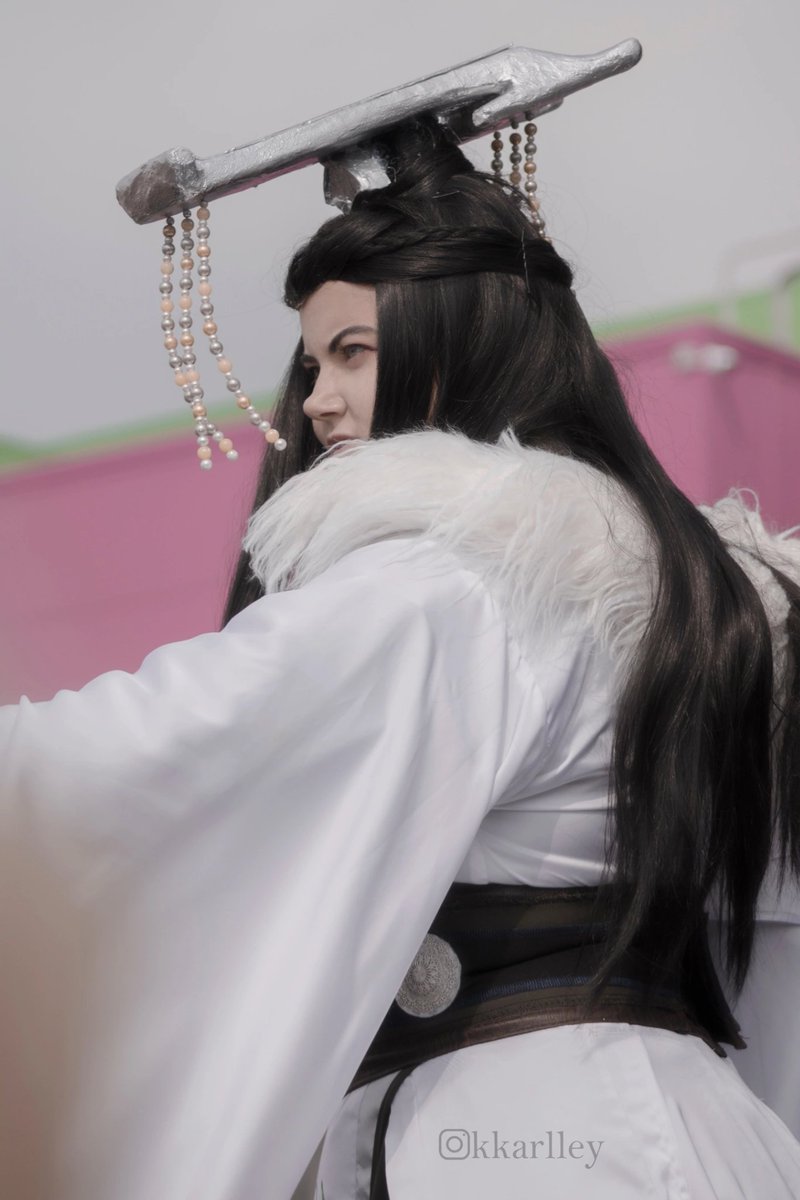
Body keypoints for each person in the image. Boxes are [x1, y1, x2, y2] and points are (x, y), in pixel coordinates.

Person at [2, 120, 800, 1200]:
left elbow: (148, 753)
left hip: (534, 1138)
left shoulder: (460, 578)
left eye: (353, 352)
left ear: (460, 342)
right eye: (311, 361)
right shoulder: (686, 593)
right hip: (675, 1122)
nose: (316, 399)